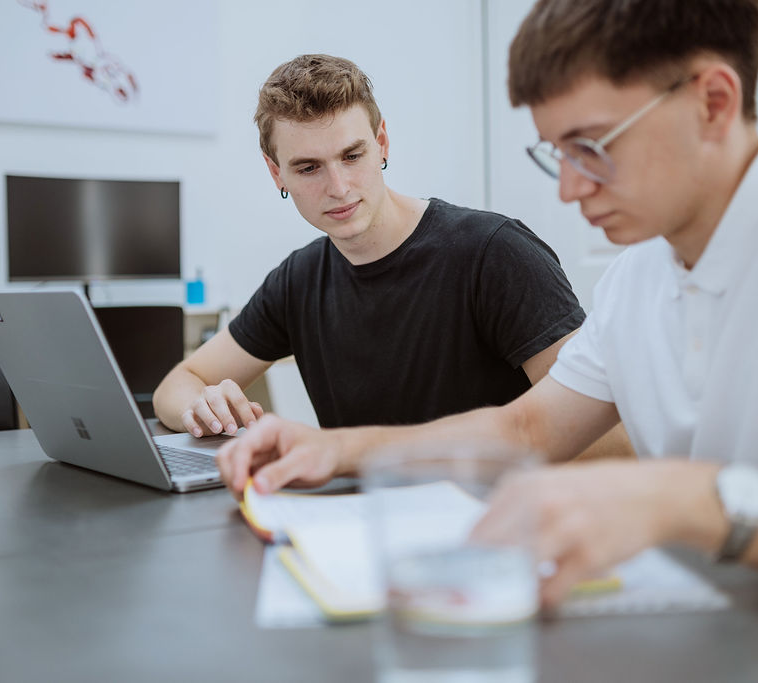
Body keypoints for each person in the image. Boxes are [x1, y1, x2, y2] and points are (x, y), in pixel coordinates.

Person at [216, 0, 758, 604]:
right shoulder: (638, 279)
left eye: (592, 146)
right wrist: (333, 449)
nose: (568, 188)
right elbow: (526, 430)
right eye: (557, 152)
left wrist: (675, 496)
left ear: (712, 102)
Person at [155, 54, 628, 457]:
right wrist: (200, 406)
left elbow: (615, 433)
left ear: (381, 143)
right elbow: (179, 383)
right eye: (308, 167)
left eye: (352, 155)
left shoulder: (493, 253)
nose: (338, 187)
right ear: (276, 174)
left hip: (498, 528)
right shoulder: (299, 278)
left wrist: (361, 456)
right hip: (365, 525)